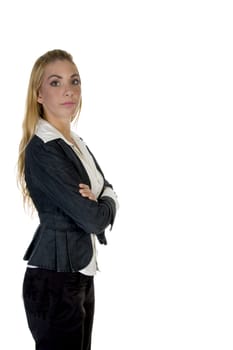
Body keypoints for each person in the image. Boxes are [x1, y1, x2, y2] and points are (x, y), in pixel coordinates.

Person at [17, 49, 119, 350]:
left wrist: (104, 199)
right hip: (54, 281)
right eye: (55, 82)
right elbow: (91, 218)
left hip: (80, 274)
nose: (68, 90)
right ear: (38, 94)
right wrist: (104, 204)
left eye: (74, 81)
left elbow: (108, 189)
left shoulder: (77, 143)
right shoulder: (43, 148)